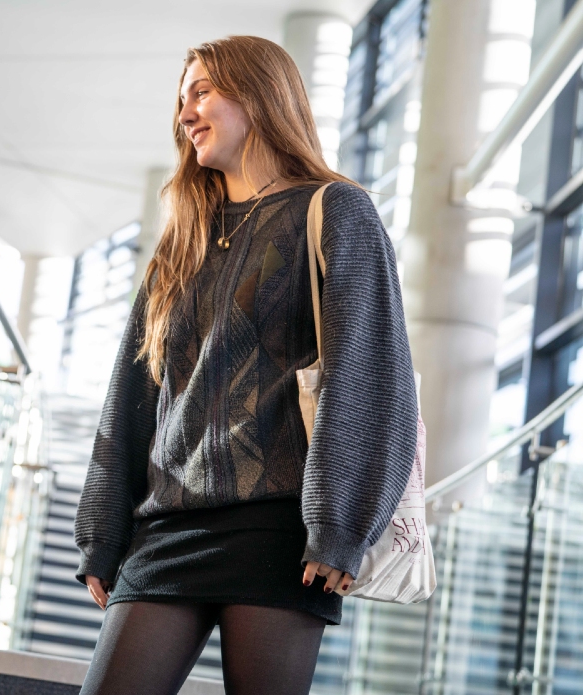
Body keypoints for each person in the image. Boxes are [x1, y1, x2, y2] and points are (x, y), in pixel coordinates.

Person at [74, 36, 418, 695]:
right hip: (166, 528)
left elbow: (368, 376)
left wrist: (340, 525)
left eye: (201, 92)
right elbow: (133, 394)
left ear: (260, 95)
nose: (186, 113)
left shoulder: (335, 210)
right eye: (182, 100)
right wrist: (102, 529)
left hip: (281, 529)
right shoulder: (184, 237)